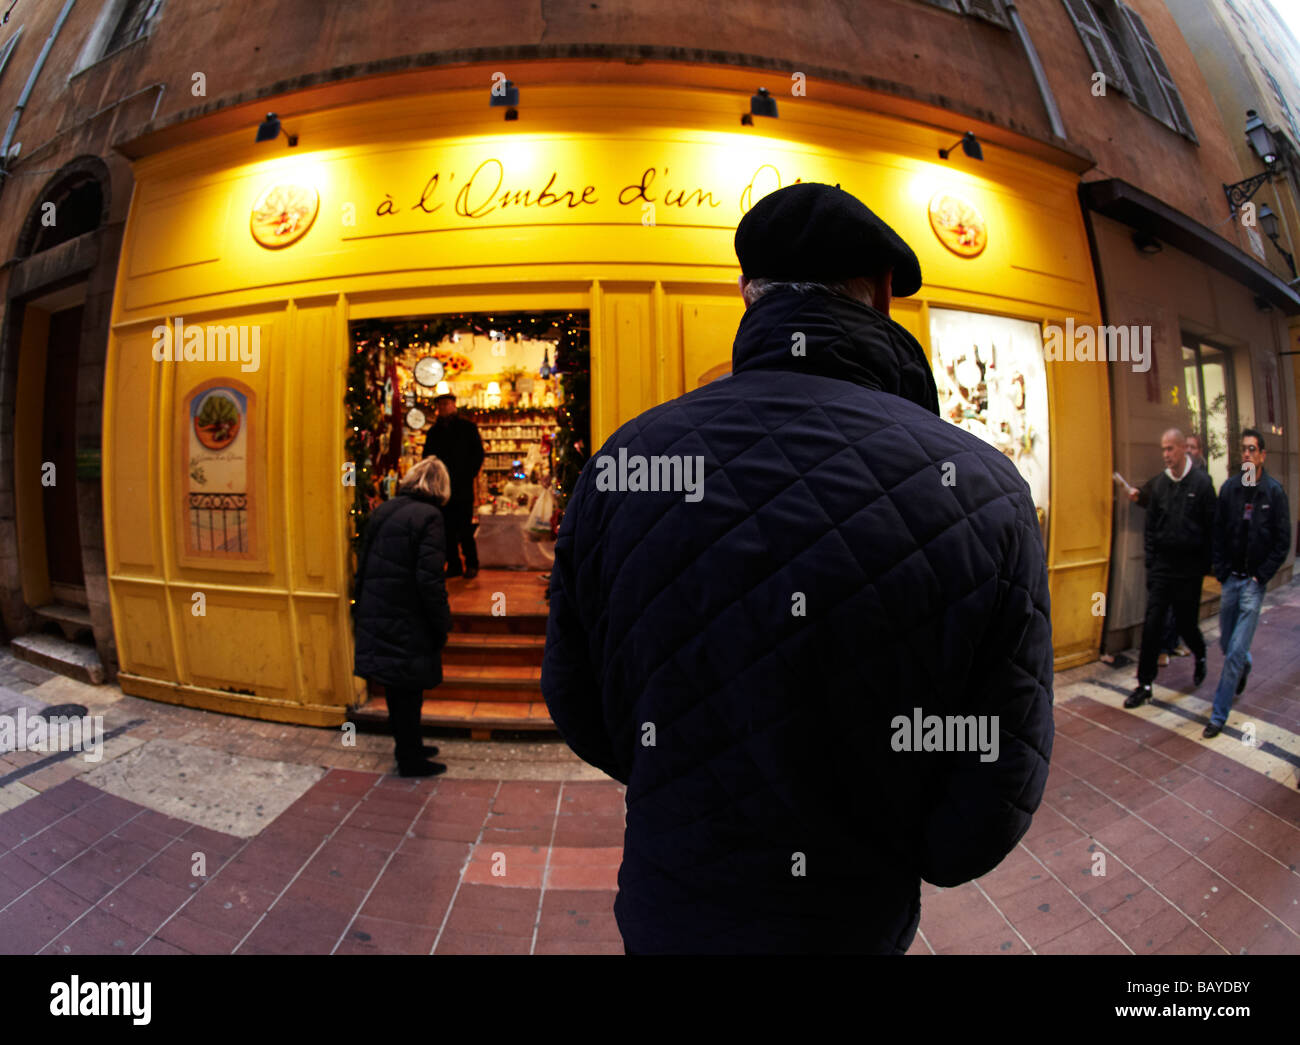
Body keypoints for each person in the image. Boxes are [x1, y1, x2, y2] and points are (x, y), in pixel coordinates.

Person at [542, 182, 1054, 955]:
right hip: (850, 922)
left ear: (746, 291)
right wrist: (905, 848)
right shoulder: (984, 488)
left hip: (669, 907)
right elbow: (998, 766)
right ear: (883, 293)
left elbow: (576, 696)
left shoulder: (626, 460)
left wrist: (681, 784)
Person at [352, 456, 453, 777]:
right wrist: (442, 622)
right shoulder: (430, 517)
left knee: (398, 690)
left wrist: (361, 607)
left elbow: (363, 561)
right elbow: (430, 579)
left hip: (380, 610)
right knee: (409, 691)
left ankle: (409, 746)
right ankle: (410, 758)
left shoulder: (384, 509)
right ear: (440, 486)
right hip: (408, 617)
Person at [1204, 428, 1291, 738]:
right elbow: (1217, 534)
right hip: (1231, 581)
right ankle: (1246, 662)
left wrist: (1261, 575)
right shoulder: (1230, 490)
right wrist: (1222, 571)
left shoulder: (1274, 493)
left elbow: (1283, 541)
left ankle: (1218, 715)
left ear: (1263, 455)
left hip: (1253, 585)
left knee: (1233, 655)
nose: (1247, 454)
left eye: (1252, 449)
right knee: (1227, 645)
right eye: (1243, 449)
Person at [1125, 429, 1216, 709]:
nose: (1165, 454)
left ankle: (1200, 654)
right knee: (1152, 625)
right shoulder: (1160, 484)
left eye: (1170, 449)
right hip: (1162, 569)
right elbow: (1150, 527)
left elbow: (1212, 529)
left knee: (1187, 625)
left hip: (1188, 571)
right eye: (1163, 449)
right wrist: (1152, 565)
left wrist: (1203, 568)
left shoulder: (1201, 484)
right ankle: (1144, 684)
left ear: (1182, 449)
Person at [1127, 442, 1206, 663]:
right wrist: (1138, 495)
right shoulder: (1166, 478)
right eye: (1185, 447)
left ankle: (1174, 643)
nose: (1188, 451)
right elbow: (1150, 496)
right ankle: (1162, 648)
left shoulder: (1200, 479)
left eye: (1192, 447)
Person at [423, 393, 485, 579]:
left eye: (446, 404)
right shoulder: (434, 432)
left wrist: (468, 474)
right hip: (441, 488)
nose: (443, 407)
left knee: (465, 527)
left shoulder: (467, 428)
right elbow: (427, 458)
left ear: (454, 405)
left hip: (462, 486)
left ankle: (472, 563)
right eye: (440, 405)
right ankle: (453, 564)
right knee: (446, 528)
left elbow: (478, 454)